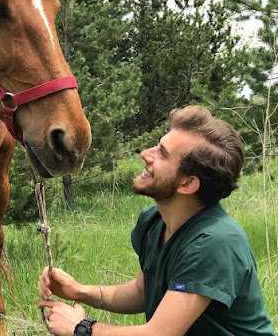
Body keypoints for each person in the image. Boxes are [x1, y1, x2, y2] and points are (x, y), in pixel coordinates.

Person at [37, 105, 275, 336]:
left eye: (162, 153)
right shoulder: (154, 221)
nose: (145, 154)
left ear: (188, 184)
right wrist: (81, 290)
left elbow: (159, 333)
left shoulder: (214, 243)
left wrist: (81, 329)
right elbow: (142, 291)